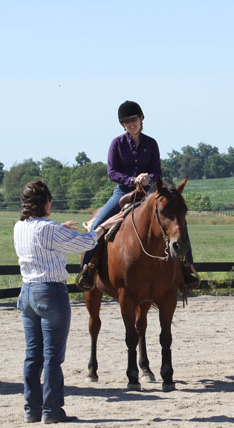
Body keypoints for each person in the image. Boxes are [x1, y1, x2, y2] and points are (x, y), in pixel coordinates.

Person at [14, 180, 122, 424]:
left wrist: (60, 229)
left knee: (32, 355)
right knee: (53, 356)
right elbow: (86, 242)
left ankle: (32, 409)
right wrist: (103, 227)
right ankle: (52, 410)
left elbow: (42, 239)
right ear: (45, 203)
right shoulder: (50, 229)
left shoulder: (19, 227)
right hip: (50, 293)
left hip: (27, 293)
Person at [78, 100, 199, 290]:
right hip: (123, 192)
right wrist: (132, 179)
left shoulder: (151, 143)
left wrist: (148, 177)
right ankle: (88, 269)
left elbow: (157, 170)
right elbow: (112, 172)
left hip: (149, 193)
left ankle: (187, 268)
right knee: (96, 225)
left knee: (178, 222)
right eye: (126, 121)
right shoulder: (116, 144)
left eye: (133, 119)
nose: (131, 124)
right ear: (123, 124)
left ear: (141, 119)